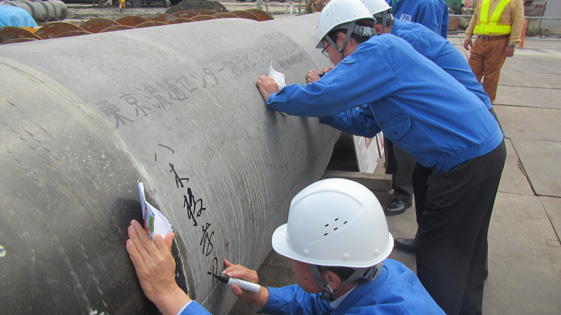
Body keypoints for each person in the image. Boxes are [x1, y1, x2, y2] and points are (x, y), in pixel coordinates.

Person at [256, 0, 506, 313]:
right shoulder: (381, 65)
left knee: (440, 256)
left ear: (342, 38)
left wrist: (278, 96)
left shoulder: (380, 51)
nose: (329, 57)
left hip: (466, 162)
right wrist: (326, 111)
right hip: (478, 153)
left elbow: (324, 95)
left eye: (326, 48)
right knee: (464, 250)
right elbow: (365, 122)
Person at [126, 179, 445, 314]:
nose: (291, 264)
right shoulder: (380, 271)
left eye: (296, 258)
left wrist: (169, 294)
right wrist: (263, 294)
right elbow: (326, 304)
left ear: (329, 278)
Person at [308, 0, 498, 220]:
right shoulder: (392, 35)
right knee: (420, 174)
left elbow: (387, 87)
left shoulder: (405, 40)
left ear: (376, 29)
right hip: (456, 117)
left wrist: (340, 80)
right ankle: (421, 233)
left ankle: (403, 197)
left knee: (414, 157)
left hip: (464, 123)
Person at [463, 0, 525, 104]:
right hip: (480, 41)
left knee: (491, 77)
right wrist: (468, 35)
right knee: (471, 73)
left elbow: (518, 21)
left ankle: (487, 105)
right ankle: (469, 101)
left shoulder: (514, 1)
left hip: (498, 42)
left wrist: (512, 43)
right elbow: (475, 18)